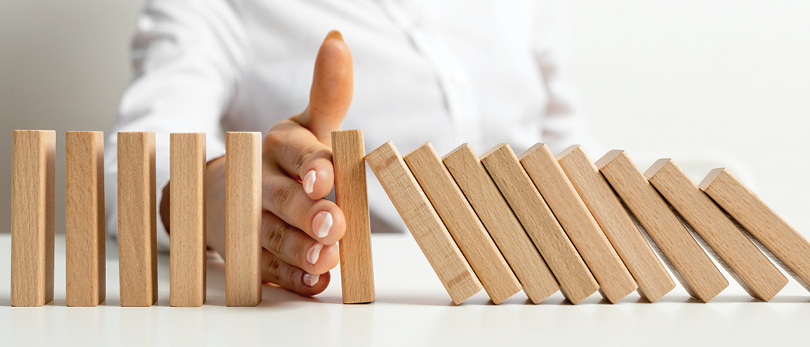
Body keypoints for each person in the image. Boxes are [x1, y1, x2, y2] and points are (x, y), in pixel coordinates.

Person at [105, 0, 600, 297]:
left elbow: (567, 146)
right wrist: (213, 192)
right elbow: (134, 162)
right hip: (356, 305)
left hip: (547, 292)